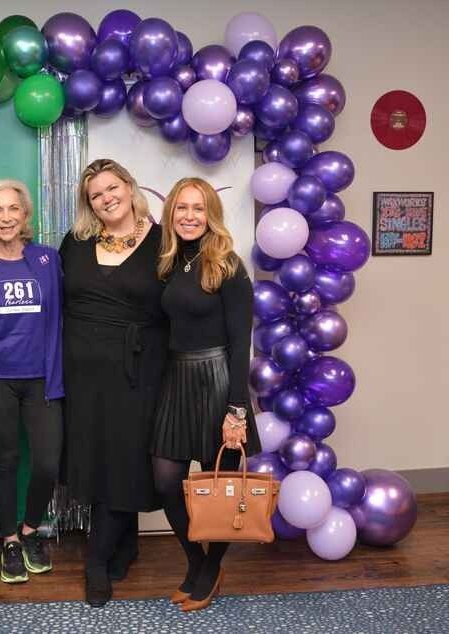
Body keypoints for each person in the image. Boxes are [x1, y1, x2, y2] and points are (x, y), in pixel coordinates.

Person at [59, 158, 167, 607]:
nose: (106, 198)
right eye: (96, 195)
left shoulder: (164, 240)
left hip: (138, 370)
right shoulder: (76, 241)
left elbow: (178, 303)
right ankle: (127, 543)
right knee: (95, 456)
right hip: (82, 374)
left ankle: (97, 561)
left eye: (111, 187)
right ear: (90, 204)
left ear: (129, 184)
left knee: (125, 457)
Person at [151, 177, 261, 612]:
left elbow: (241, 342)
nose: (189, 216)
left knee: (223, 485)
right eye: (182, 208)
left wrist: (237, 410)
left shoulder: (228, 265)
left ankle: (210, 570)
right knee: (165, 480)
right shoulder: (169, 262)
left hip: (218, 381)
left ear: (211, 214)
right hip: (177, 379)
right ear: (171, 213)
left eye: (198, 208)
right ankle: (197, 563)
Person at [0, 180, 64, 584]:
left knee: (47, 462)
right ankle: (8, 541)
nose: (5, 217)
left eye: (12, 209)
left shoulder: (47, 260)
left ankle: (30, 530)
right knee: (4, 462)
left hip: (43, 379)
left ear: (25, 215)